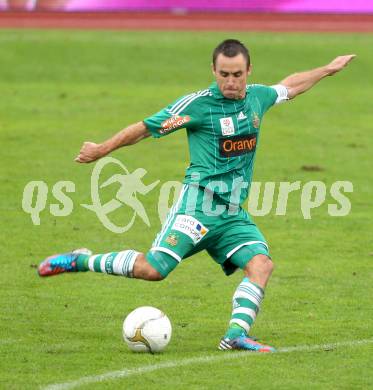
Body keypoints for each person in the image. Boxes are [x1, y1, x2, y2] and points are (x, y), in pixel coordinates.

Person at [38, 39, 355, 352]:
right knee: (152, 270)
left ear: (248, 71)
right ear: (214, 71)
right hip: (197, 208)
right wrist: (102, 149)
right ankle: (80, 260)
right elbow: (147, 127)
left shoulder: (257, 98)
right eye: (224, 74)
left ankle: (235, 336)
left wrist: (327, 69)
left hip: (232, 215)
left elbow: (289, 86)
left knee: (261, 265)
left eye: (237, 74)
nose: (230, 81)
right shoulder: (197, 105)